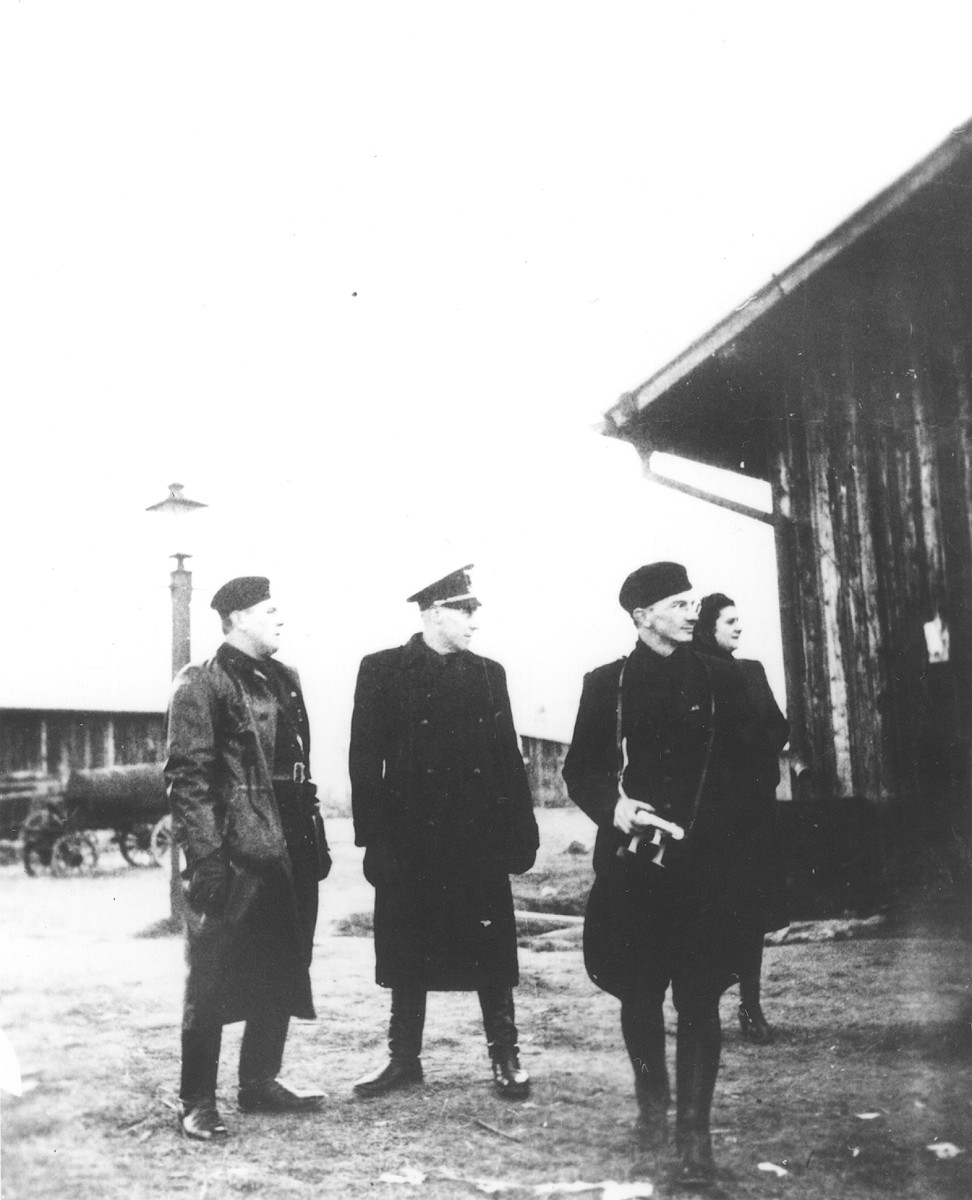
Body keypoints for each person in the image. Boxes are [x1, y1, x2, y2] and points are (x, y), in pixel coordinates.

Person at [562, 562, 765, 1187]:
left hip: (706, 866)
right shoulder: (607, 684)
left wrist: (716, 831)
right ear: (641, 615)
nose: (689, 613)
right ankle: (653, 1105)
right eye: (678, 604)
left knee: (700, 994)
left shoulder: (723, 678)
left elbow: (752, 764)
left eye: (693, 603)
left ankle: (693, 1136)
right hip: (633, 866)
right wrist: (616, 808)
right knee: (641, 989)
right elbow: (582, 769)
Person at [349, 565, 539, 1100]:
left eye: (475, 610)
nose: (474, 620)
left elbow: (508, 757)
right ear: (433, 614)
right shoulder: (383, 669)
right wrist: (374, 840)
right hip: (410, 839)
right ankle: (403, 1060)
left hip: (476, 837)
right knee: (409, 947)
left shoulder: (488, 673)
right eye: (465, 610)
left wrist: (522, 830)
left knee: (491, 948)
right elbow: (364, 761)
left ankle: (506, 1056)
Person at [165, 576, 331, 1141]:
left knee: (283, 963)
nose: (280, 618)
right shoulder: (201, 683)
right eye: (268, 610)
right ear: (236, 618)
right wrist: (207, 857)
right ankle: (196, 1100)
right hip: (238, 852)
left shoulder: (286, 678)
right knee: (212, 975)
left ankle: (259, 1081)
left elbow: (297, 763)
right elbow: (188, 778)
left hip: (292, 846)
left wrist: (315, 835)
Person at [693, 593, 790, 1044]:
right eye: (730, 621)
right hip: (709, 821)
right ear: (708, 626)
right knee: (708, 913)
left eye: (739, 620)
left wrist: (751, 744)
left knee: (750, 913)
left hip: (752, 815)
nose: (738, 628)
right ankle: (701, 1007)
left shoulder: (752, 671)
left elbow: (778, 726)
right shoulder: (691, 671)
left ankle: (751, 1007)